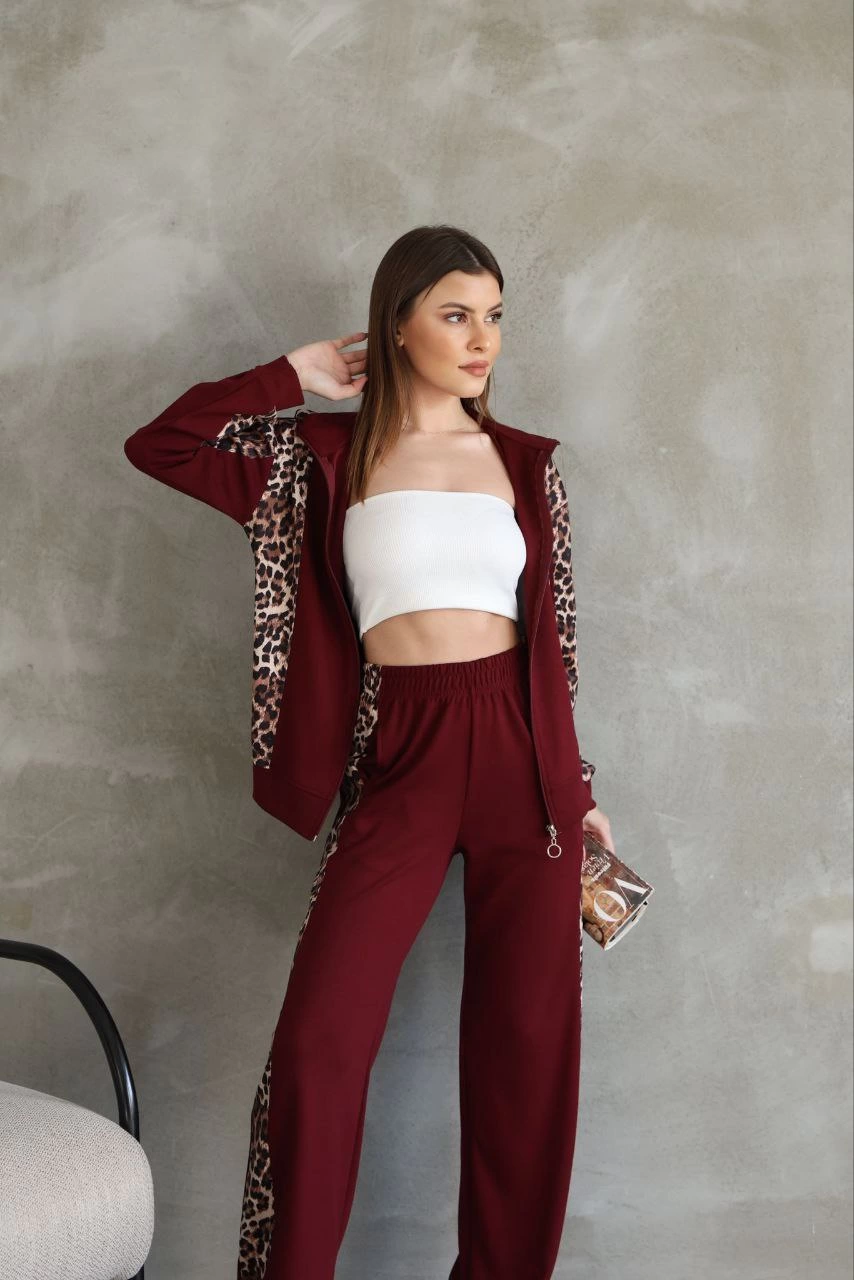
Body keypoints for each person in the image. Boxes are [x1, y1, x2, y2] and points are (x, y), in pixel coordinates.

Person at [123, 223, 613, 1280]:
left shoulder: (526, 465)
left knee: (525, 1061)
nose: (481, 339)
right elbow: (161, 445)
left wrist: (576, 791)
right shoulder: (321, 459)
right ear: (396, 325)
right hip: (399, 754)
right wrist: (288, 376)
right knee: (317, 1047)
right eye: (454, 314)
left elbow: (555, 641)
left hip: (523, 759)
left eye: (493, 316)